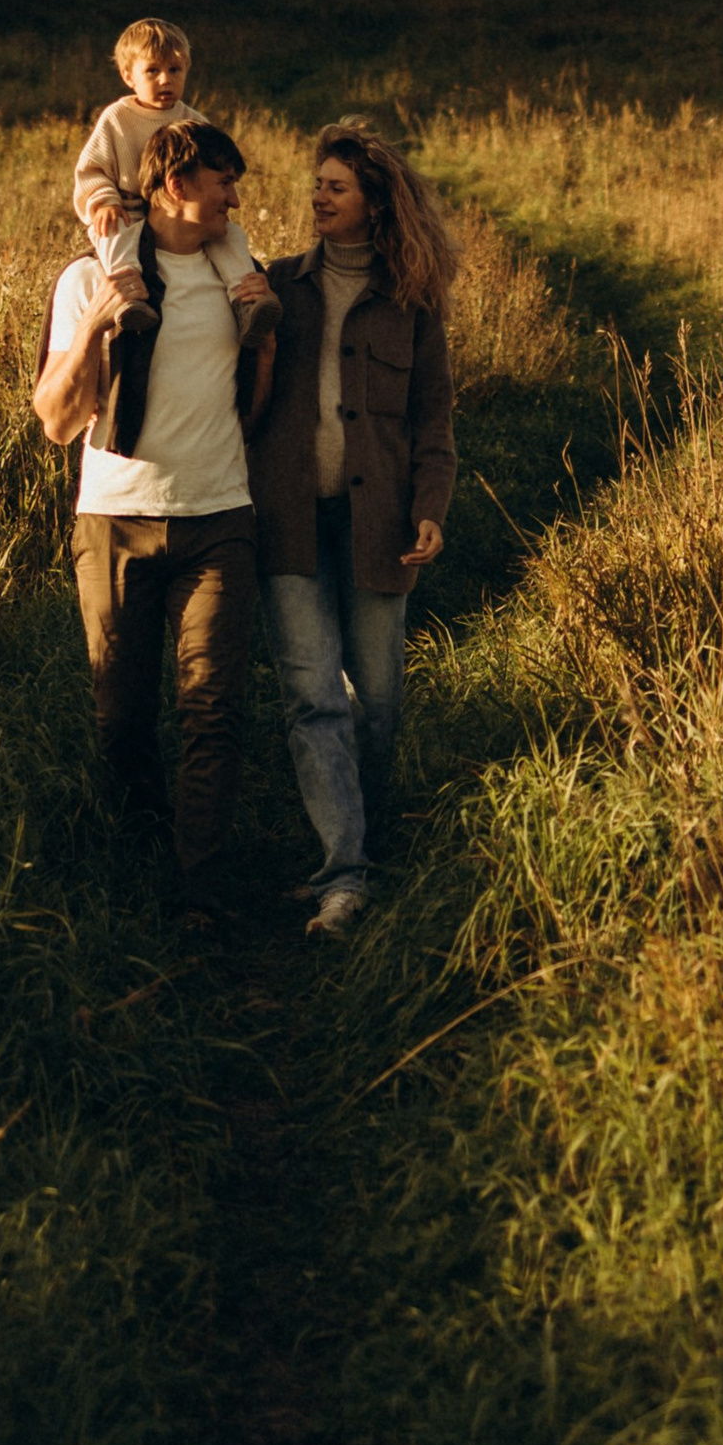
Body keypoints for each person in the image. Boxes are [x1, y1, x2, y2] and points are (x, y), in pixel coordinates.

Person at [34, 114, 271, 924]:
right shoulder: (85, 279)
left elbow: (259, 406)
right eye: (223, 184)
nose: (235, 200)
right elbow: (58, 419)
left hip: (219, 521)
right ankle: (137, 865)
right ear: (176, 185)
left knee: (212, 707)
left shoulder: (242, 279)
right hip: (115, 522)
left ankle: (198, 891)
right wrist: (100, 320)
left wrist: (265, 337)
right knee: (123, 714)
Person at [245, 124, 457, 940]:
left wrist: (431, 509)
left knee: (378, 699)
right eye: (317, 184)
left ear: (376, 203)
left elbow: (433, 420)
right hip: (288, 520)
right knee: (310, 698)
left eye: (335, 186)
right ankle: (345, 874)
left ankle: (359, 847)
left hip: (381, 526)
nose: (318, 197)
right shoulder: (279, 286)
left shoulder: (412, 304)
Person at [73, 16, 276, 346]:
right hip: (129, 207)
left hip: (181, 212)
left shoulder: (192, 120)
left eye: (175, 70)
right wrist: (103, 200)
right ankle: (131, 298)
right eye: (152, 71)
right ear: (129, 76)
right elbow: (93, 169)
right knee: (111, 232)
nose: (165, 80)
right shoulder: (117, 119)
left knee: (229, 237)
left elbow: (215, 163)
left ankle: (245, 301)